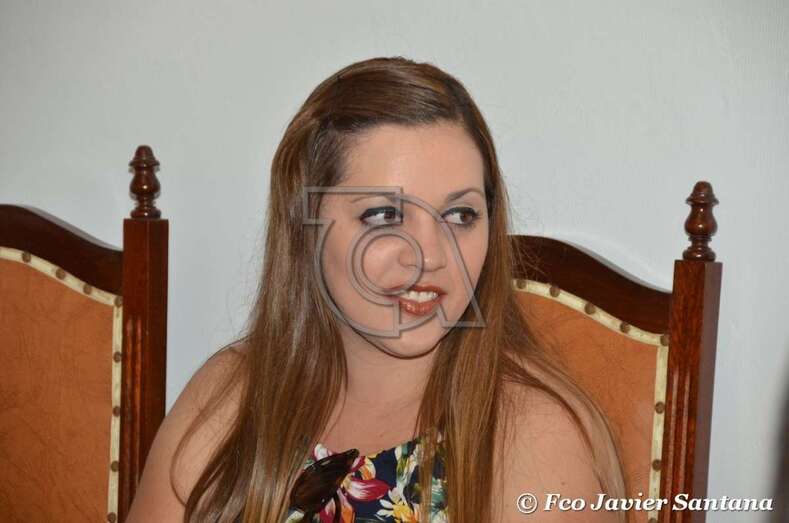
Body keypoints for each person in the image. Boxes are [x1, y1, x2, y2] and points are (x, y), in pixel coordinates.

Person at [126, 56, 626, 522]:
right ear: (306, 228)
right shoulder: (230, 394)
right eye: (384, 215)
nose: (429, 255)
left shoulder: (533, 438)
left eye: (460, 214)